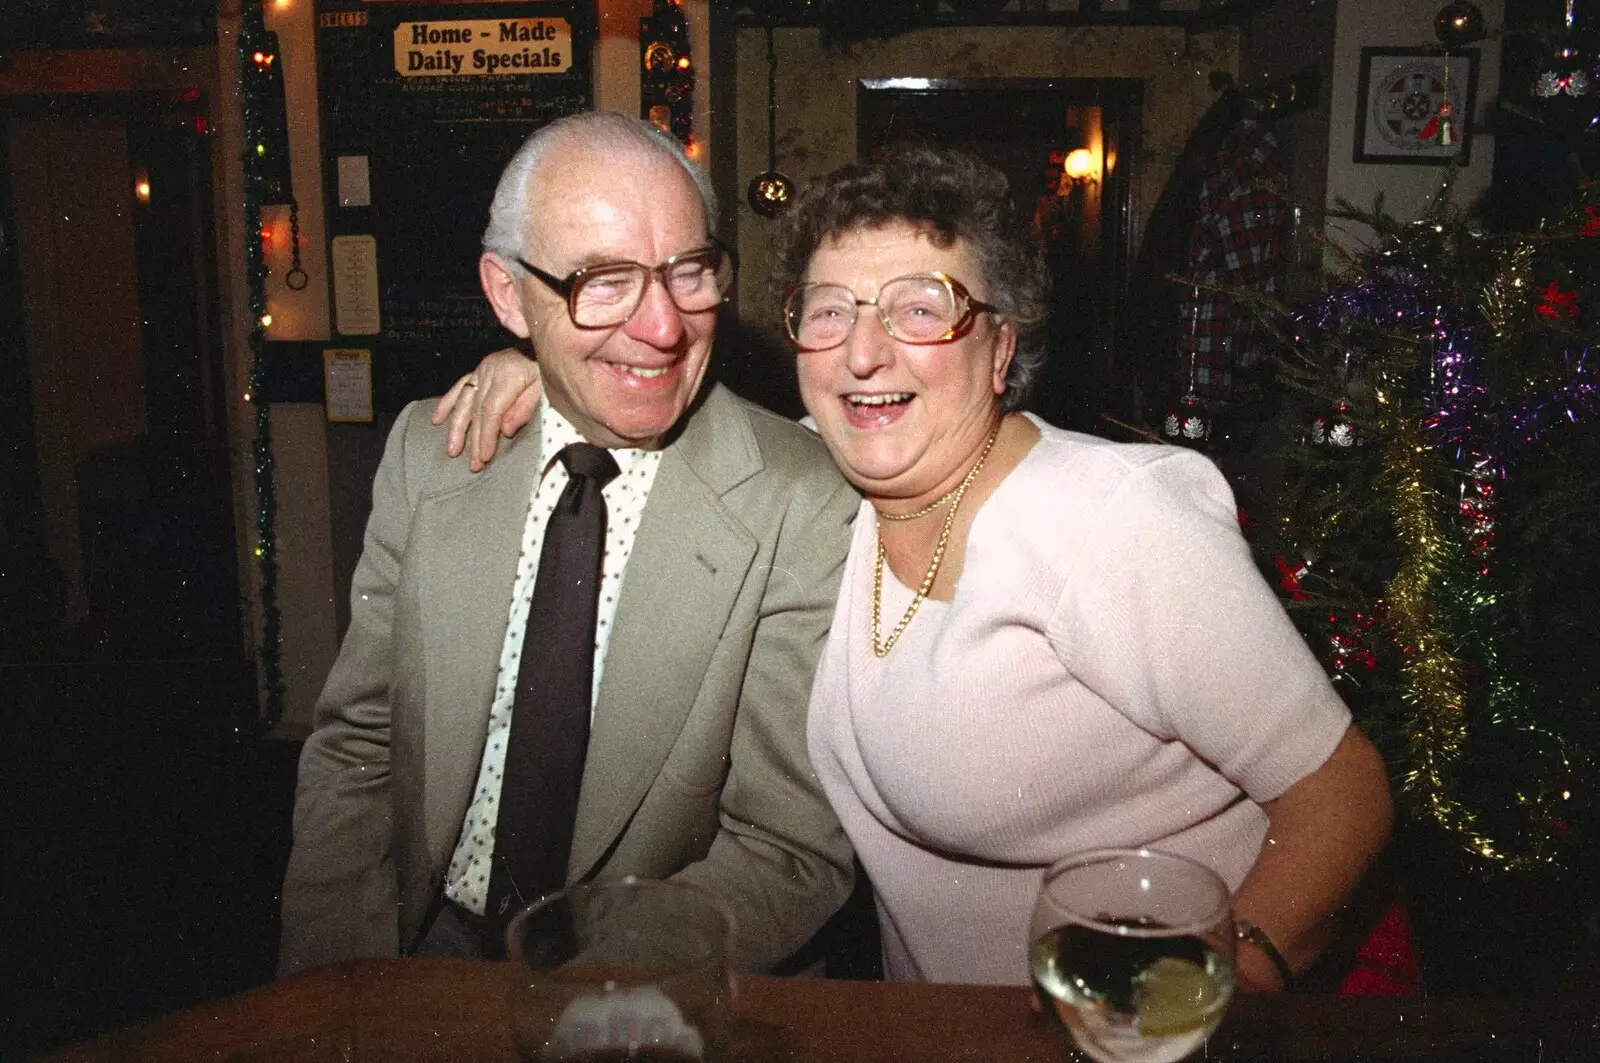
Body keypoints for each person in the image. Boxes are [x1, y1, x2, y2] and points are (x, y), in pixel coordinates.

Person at [436, 145, 1395, 991]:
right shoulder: (820, 484)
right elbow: (654, 417)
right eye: (830, 310)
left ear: (1001, 343)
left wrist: (1222, 990)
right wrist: (536, 369)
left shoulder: (1111, 517)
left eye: (919, 308)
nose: (863, 351)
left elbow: (1342, 793)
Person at [277, 111, 857, 978]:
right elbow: (359, 751)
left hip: (648, 977)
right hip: (417, 951)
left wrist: (586, 996)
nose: (663, 327)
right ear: (509, 295)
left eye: (689, 272)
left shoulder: (799, 500)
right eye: (602, 280)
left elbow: (788, 847)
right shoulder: (428, 454)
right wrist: (333, 991)